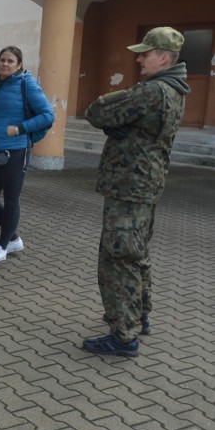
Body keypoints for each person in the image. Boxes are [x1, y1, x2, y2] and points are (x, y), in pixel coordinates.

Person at [82, 26, 189, 357]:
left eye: (145, 53)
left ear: (164, 58)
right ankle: (139, 314)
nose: (140, 58)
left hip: (130, 187)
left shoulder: (152, 92)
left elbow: (96, 110)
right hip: (146, 186)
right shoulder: (175, 91)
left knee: (119, 258)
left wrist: (113, 123)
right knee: (136, 253)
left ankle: (123, 334)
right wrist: (119, 125)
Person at [0, 46, 54, 264]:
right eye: (2, 60)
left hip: (17, 150)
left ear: (19, 65)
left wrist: (19, 128)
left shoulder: (26, 84)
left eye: (10, 61)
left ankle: (3, 245)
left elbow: (47, 115)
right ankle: (14, 237)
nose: (5, 64)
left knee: (11, 199)